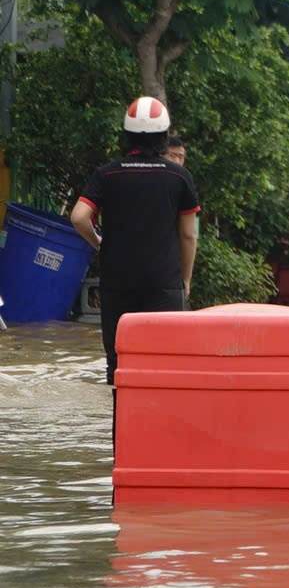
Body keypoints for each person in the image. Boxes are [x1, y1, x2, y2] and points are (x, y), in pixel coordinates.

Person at [69, 97, 200, 384]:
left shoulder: (107, 174)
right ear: (164, 136)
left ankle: (120, 412)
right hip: (164, 284)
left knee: (119, 364)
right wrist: (186, 280)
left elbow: (79, 217)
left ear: (127, 135)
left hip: (118, 283)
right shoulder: (179, 176)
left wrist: (98, 241)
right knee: (166, 365)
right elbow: (189, 235)